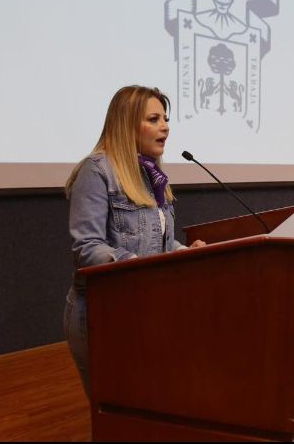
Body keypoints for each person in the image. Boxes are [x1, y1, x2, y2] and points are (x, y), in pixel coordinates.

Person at [63, 85, 206, 395]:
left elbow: (158, 243)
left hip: (147, 308)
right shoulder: (96, 171)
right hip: (105, 314)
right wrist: (141, 268)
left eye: (165, 119)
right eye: (154, 119)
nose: (165, 127)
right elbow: (87, 248)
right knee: (116, 411)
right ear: (127, 124)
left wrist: (185, 253)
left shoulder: (150, 175)